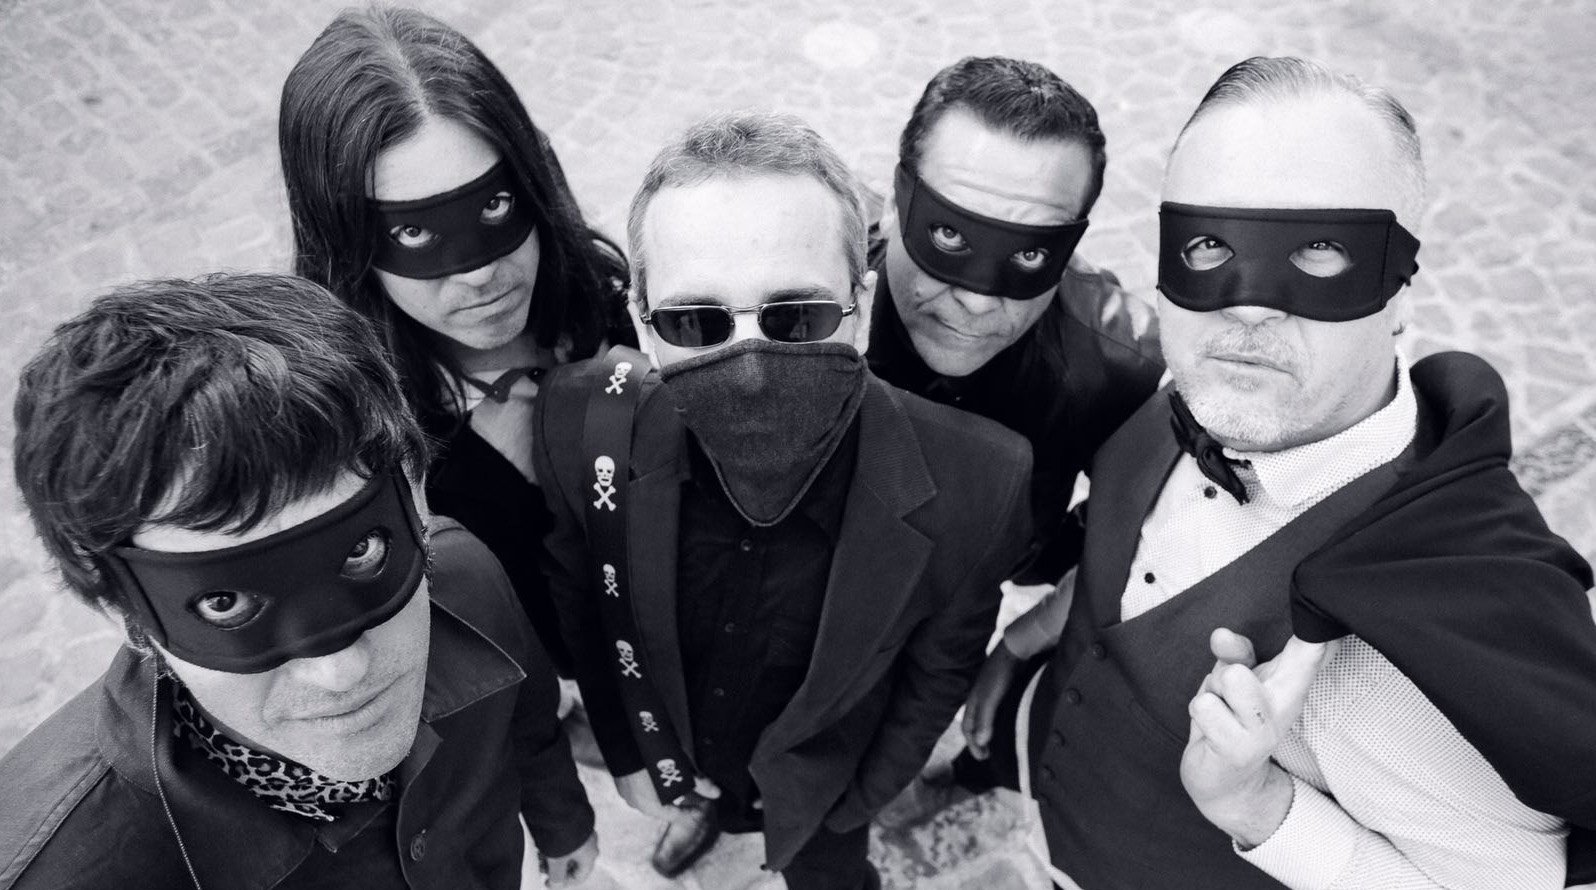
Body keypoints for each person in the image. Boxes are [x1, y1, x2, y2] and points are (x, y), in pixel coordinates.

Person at [989, 57, 1596, 889]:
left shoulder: (1396, 661)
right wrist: (1027, 640)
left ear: (1401, 293)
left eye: (1319, 251)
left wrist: (1258, 806)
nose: (1246, 305)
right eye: (1208, 243)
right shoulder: (1216, 389)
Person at [532, 112, 1033, 888]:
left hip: (822, 795)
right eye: (696, 321)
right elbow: (585, 607)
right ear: (640, 321)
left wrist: (851, 806)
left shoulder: (980, 480)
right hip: (684, 753)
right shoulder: (581, 422)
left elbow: (937, 675)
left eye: (796, 317)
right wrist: (635, 753)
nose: (750, 367)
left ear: (861, 309)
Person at [0, 273, 596, 889]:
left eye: (361, 551)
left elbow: (529, 723)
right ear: (122, 611)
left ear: (417, 497)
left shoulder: (466, 580)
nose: (341, 672)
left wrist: (564, 825)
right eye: (224, 601)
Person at [278, 6, 634, 676]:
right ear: (345, 240)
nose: (478, 274)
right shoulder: (356, 452)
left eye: (493, 205)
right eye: (414, 232)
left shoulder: (603, 304)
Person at [866, 57, 1165, 818]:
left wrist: (1037, 621)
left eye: (1028, 255)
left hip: (960, 604)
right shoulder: (806, 293)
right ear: (898, 196)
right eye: (948, 233)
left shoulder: (1115, 362)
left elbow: (1183, 516)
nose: (974, 298)